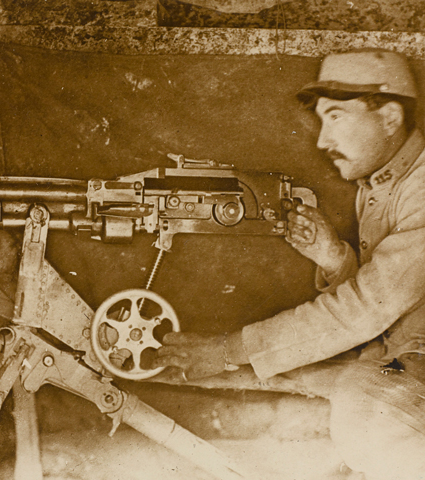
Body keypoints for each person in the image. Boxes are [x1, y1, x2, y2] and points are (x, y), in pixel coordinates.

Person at [153, 49, 425, 480]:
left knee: (365, 400)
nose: (322, 140)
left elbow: (369, 308)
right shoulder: (381, 183)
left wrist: (227, 350)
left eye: (335, 116)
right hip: (403, 360)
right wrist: (337, 260)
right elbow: (394, 304)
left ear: (390, 117)